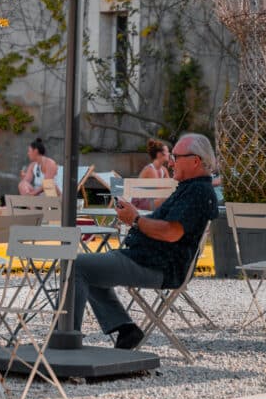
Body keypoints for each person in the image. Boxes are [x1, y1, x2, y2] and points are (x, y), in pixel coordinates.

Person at [73, 133, 219, 349]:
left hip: (158, 267)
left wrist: (136, 219)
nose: (171, 162)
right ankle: (126, 329)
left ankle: (67, 338)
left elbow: (171, 232)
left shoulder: (198, 191)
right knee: (89, 267)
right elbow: (164, 224)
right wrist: (134, 219)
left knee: (77, 265)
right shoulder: (190, 188)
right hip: (147, 259)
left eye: (176, 157)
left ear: (196, 161)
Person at [133, 138, 171, 210]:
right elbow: (160, 192)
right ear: (159, 154)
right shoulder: (150, 170)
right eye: (167, 152)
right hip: (139, 203)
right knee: (168, 199)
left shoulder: (163, 170)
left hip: (151, 201)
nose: (169, 154)